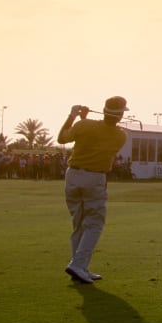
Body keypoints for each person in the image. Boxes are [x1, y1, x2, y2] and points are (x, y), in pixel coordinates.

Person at [57, 96, 130, 284]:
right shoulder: (120, 136)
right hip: (95, 178)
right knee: (94, 223)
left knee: (79, 223)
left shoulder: (85, 125)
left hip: (72, 175)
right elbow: (98, 136)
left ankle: (80, 267)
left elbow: (62, 137)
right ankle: (78, 265)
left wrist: (74, 116)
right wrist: (83, 119)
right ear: (120, 115)